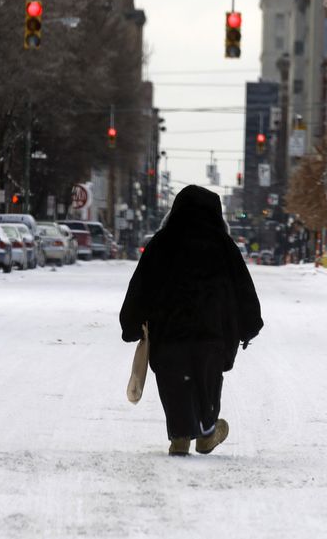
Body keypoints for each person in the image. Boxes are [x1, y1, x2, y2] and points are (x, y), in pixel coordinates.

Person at [120, 185, 263, 456]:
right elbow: (243, 288)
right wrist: (249, 325)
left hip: (169, 334)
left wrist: (130, 324)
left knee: (174, 383)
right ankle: (207, 431)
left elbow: (140, 287)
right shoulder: (223, 245)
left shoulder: (161, 243)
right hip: (212, 335)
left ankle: (180, 435)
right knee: (207, 381)